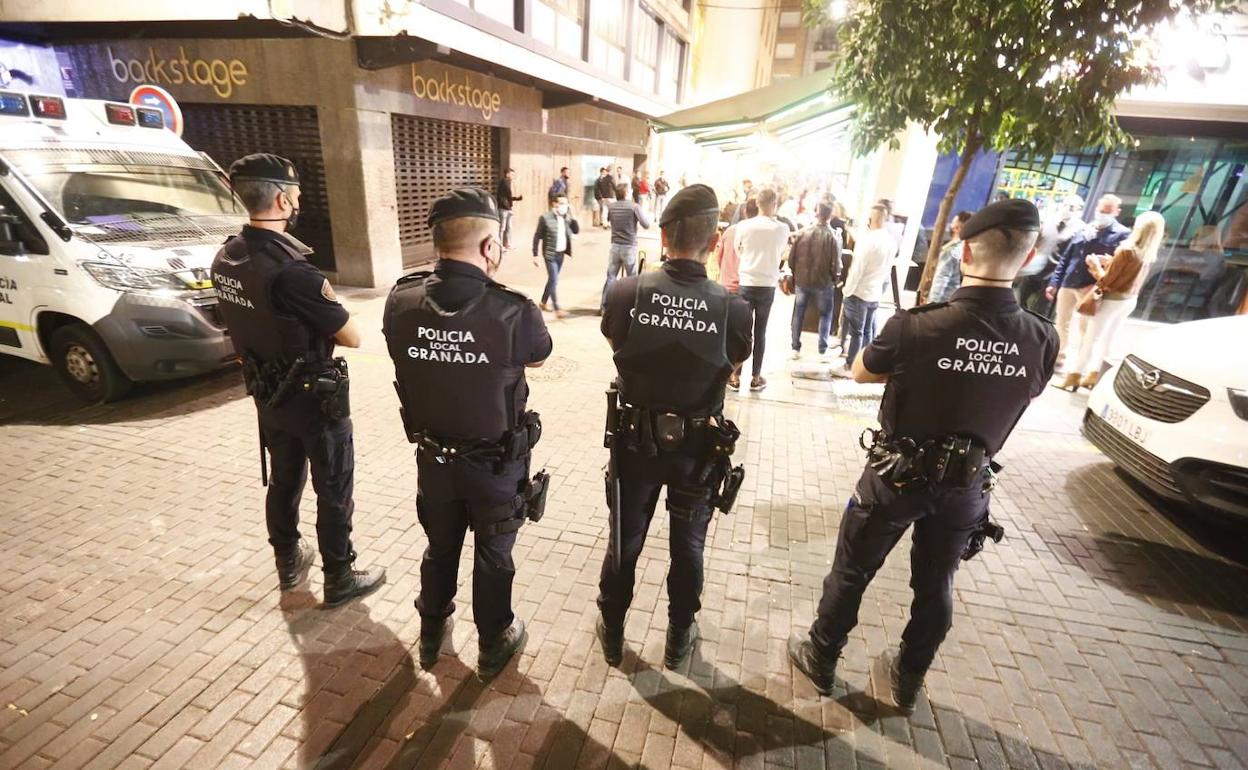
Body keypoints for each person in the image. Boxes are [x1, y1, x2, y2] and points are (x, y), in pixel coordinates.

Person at [788, 199, 1059, 712]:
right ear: (1025, 261)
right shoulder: (1042, 337)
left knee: (852, 570)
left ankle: (821, 658)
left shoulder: (916, 326)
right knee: (937, 583)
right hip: (967, 488)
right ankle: (909, 677)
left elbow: (862, 371)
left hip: (896, 479)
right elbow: (1030, 390)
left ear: (966, 251)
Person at [383, 187, 552, 678]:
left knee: (440, 546)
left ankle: (432, 630)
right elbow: (538, 355)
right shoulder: (514, 310)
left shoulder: (400, 299)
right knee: (494, 552)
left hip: (434, 459)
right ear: (488, 247)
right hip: (496, 464)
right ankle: (494, 638)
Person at [210, 153, 385, 607]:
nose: (300, 200)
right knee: (333, 487)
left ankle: (288, 560)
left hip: (267, 394)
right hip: (314, 399)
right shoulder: (294, 271)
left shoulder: (226, 257)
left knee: (284, 478)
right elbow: (351, 335)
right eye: (298, 194)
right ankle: (340, 576)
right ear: (283, 198)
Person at [598, 184, 753, 670]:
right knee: (688, 547)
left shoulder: (627, 292)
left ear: (663, 236)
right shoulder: (735, 310)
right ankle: (678, 636)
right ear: (715, 241)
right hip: (697, 452)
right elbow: (736, 360)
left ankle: (613, 627)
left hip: (635, 445)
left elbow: (613, 337)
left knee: (624, 541)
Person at [1062, 211, 1164, 390]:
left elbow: (1106, 281)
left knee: (1090, 339)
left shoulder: (1126, 250)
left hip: (1111, 300)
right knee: (1108, 339)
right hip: (1128, 301)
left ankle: (1074, 375)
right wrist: (1111, 262)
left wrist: (1095, 266)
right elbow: (1128, 274)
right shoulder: (1147, 253)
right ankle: (1095, 374)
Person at [1045, 194, 1130, 374]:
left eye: (1107, 211)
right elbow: (1066, 258)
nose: (1102, 214)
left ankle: (1080, 365)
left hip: (1090, 286)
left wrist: (1098, 283)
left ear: (1116, 212)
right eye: (1100, 210)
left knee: (1086, 328)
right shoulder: (1085, 228)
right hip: (1069, 282)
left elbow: (1117, 266)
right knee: (1062, 322)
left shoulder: (1121, 234)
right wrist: (1055, 281)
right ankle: (1059, 358)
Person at [732, 188, 790, 391]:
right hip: (767, 285)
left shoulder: (744, 226)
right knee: (761, 331)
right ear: (774, 204)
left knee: (742, 331)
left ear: (757, 203)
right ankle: (756, 377)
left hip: (747, 281)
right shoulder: (782, 229)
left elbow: (737, 250)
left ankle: (735, 375)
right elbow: (783, 253)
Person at [834, 203, 895, 377]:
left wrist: (847, 291)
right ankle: (865, 364)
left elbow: (857, 269)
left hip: (859, 292)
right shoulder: (890, 242)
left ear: (870, 219)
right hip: (874, 292)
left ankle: (849, 365)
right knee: (867, 332)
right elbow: (887, 270)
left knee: (856, 333)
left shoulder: (868, 241)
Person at [788, 203, 842, 360]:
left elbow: (792, 258)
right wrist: (835, 278)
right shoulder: (832, 236)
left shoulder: (803, 233)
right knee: (825, 314)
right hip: (823, 282)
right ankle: (822, 350)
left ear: (816, 213)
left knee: (798, 313)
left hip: (802, 281)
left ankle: (795, 348)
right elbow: (836, 263)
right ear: (830, 215)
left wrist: (795, 273)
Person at [1016, 195, 1084, 312]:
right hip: (1034, 267)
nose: (1067, 209)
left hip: (1054, 273)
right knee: (1021, 301)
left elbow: (1075, 255)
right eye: (1065, 205)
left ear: (1078, 210)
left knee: (1042, 308)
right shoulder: (1049, 221)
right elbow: (1035, 240)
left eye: (1072, 207)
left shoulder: (1080, 228)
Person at [601, 183, 651, 312]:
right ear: (626, 193)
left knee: (611, 277)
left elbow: (608, 220)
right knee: (631, 279)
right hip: (629, 246)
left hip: (615, 245)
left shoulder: (611, 207)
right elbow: (646, 224)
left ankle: (605, 307)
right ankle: (629, 307)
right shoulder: (634, 207)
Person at [532, 194, 579, 319]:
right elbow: (537, 236)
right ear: (554, 204)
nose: (564, 206)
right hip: (550, 254)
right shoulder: (545, 218)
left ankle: (543, 302)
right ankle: (557, 308)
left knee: (552, 280)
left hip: (561, 254)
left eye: (566, 203)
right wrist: (535, 255)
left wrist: (573, 215)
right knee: (554, 279)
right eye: (562, 203)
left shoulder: (566, 218)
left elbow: (576, 230)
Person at [927, 211, 974, 304]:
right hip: (954, 300)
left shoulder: (951, 251)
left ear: (958, 227)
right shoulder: (967, 249)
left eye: (954, 222)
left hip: (941, 301)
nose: (951, 225)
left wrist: (930, 304)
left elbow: (941, 278)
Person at [716, 199, 756, 295]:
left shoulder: (730, 231)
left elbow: (719, 257)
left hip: (726, 285)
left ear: (745, 212)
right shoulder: (756, 234)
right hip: (745, 286)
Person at [495, 168, 523, 250]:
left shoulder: (506, 183)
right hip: (503, 209)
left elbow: (508, 197)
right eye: (512, 174)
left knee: (509, 228)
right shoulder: (503, 183)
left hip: (508, 208)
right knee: (502, 228)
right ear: (507, 174)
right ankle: (500, 246)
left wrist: (516, 199)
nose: (513, 176)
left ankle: (508, 245)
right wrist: (508, 206)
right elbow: (502, 198)